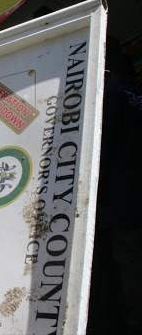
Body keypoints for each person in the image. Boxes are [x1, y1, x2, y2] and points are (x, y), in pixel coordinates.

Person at [87, 49, 142, 334]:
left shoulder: (111, 95)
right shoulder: (137, 96)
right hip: (135, 197)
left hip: (119, 201)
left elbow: (102, 146)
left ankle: (133, 322)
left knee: (126, 264)